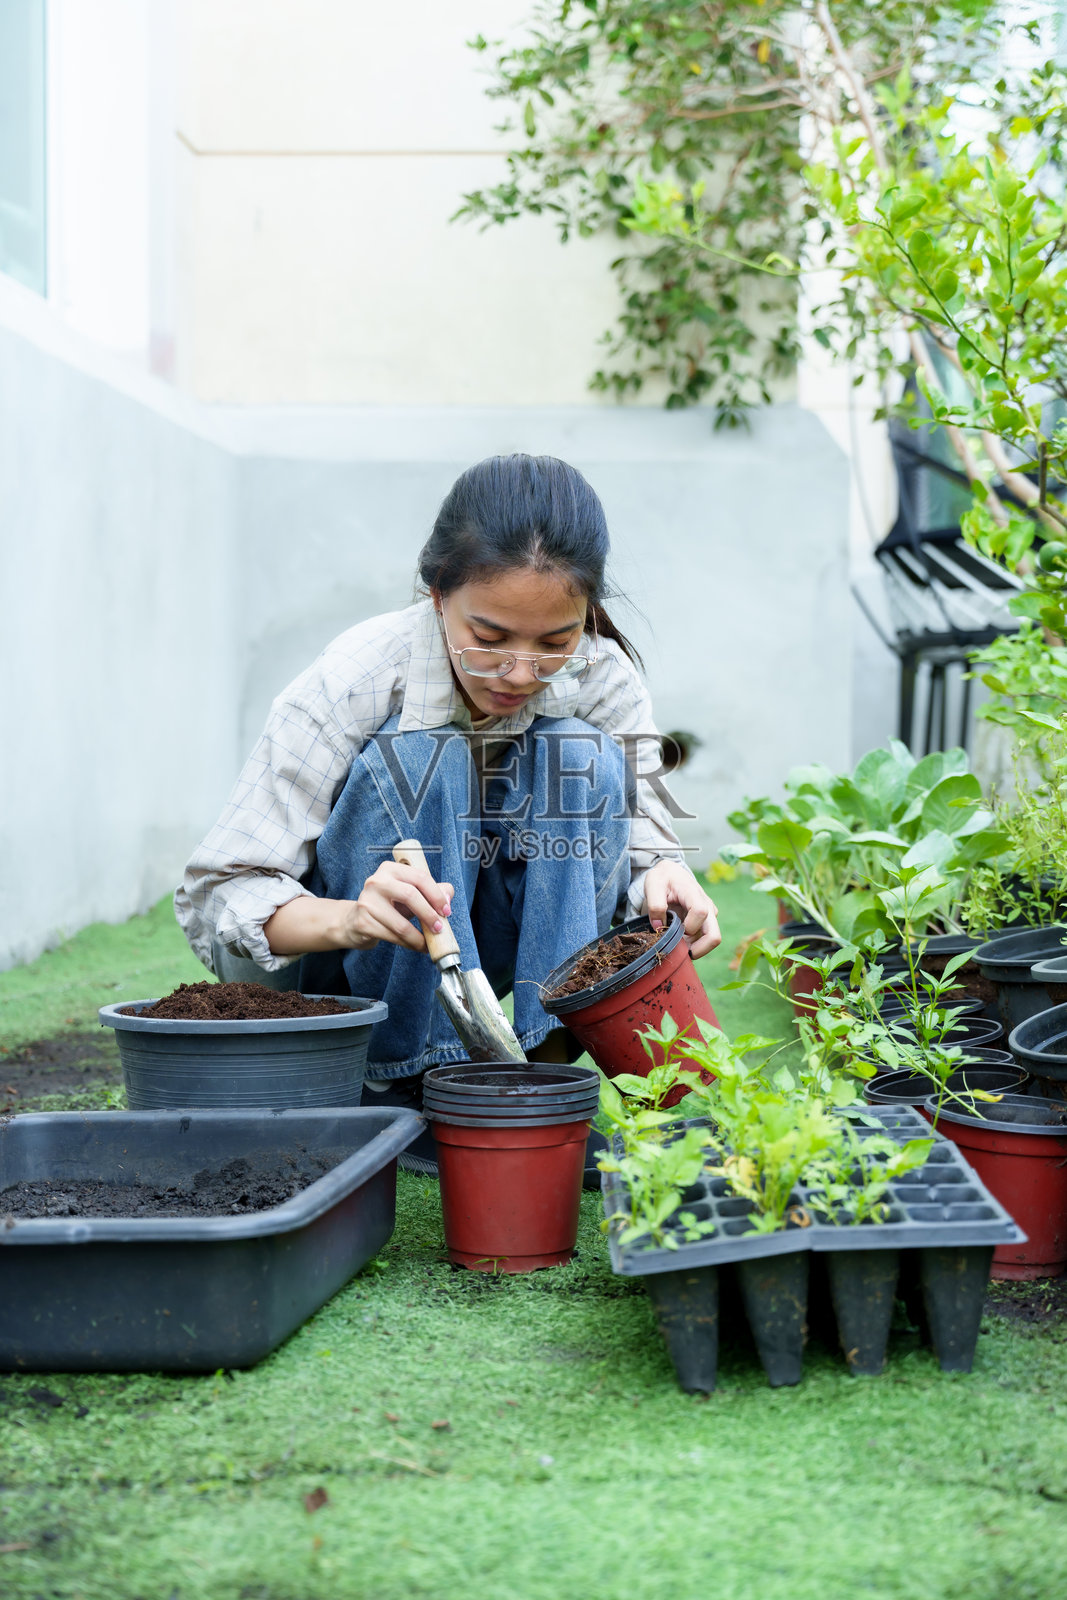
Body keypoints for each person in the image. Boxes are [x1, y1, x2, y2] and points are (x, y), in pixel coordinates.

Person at [176, 454, 720, 1168]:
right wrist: (353, 918)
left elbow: (646, 852)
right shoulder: (357, 677)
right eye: (488, 640)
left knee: (582, 756)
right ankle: (410, 1081)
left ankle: (538, 1082)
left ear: (585, 616)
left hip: (484, 955)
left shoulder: (601, 679)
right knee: (422, 762)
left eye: (554, 643)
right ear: (437, 595)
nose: (520, 673)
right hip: (339, 973)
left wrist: (664, 872)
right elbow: (223, 893)